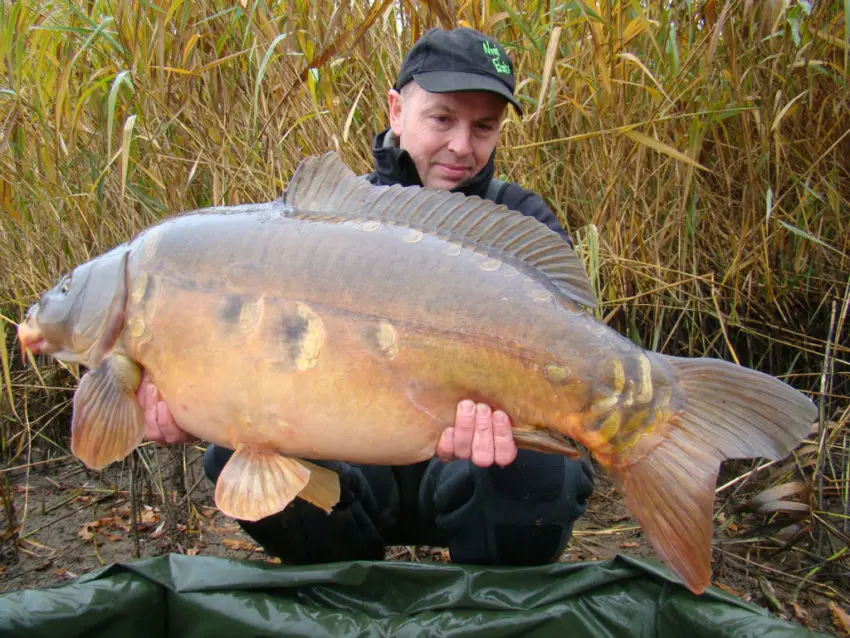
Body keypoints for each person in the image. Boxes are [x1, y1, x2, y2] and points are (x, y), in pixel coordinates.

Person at [138, 27, 594, 566]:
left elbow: (575, 348)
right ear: (397, 109)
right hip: (354, 477)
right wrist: (198, 407)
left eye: (484, 126)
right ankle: (351, 587)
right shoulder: (328, 223)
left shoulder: (520, 223)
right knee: (235, 451)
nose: (461, 146)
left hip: (470, 474)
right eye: (442, 118)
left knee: (548, 469)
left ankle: (489, 604)